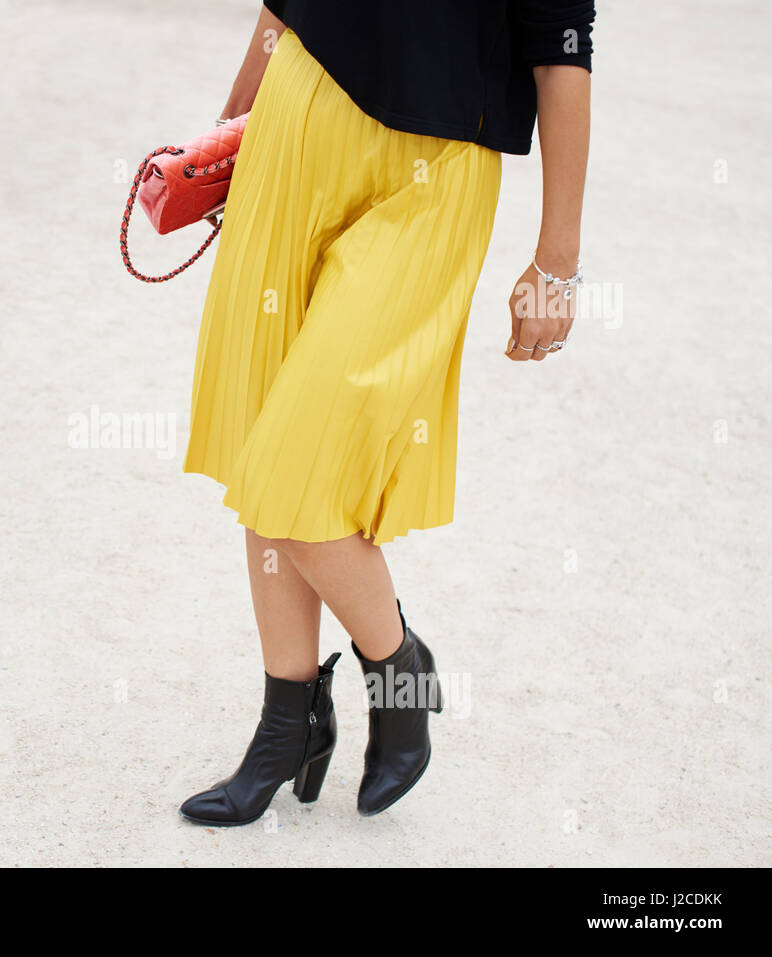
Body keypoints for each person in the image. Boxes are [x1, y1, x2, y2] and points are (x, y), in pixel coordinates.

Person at [179, 1, 594, 825]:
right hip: (295, 125)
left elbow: (562, 49)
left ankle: (400, 672)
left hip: (436, 177)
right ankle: (284, 726)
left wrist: (558, 261)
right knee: (267, 429)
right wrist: (228, 130)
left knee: (295, 457)